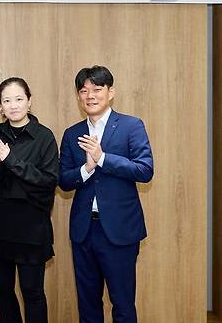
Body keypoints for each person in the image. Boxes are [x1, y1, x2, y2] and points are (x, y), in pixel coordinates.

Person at [58, 65, 153, 323]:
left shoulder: (131, 126)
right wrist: (87, 168)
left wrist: (102, 158)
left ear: (111, 92)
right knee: (88, 304)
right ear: (78, 96)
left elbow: (145, 170)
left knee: (122, 303)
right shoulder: (72, 133)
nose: (90, 95)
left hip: (119, 231)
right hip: (84, 230)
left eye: (97, 89)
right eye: (84, 90)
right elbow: (64, 181)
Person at [0, 77, 58, 323]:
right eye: (6, 100)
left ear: (29, 102)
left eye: (18, 99)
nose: (13, 105)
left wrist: (11, 160)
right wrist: (0, 164)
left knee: (32, 293)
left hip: (31, 228)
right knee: (3, 292)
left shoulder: (44, 137)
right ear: (0, 106)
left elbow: (47, 182)